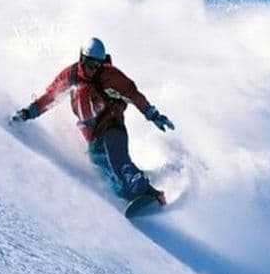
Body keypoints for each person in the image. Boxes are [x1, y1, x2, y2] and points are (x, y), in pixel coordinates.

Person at [12, 37, 175, 204]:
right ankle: (133, 195)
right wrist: (28, 112)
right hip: (92, 134)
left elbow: (133, 95)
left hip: (111, 122)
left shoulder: (109, 76)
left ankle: (148, 193)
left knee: (118, 159)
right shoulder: (70, 76)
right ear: (82, 59)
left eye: (98, 66)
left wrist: (153, 114)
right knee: (108, 174)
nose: (93, 70)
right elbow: (50, 97)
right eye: (90, 65)